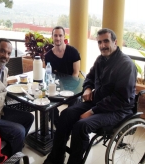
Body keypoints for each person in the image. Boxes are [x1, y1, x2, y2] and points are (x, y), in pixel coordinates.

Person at [43, 28, 137, 164]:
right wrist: (87, 88)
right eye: (99, 42)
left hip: (118, 109)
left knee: (81, 126)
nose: (102, 45)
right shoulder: (101, 59)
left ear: (115, 42)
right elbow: (90, 77)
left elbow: (120, 99)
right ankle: (56, 158)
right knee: (65, 115)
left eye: (106, 41)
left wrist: (92, 111)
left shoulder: (126, 65)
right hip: (98, 101)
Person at [45, 26, 81, 128]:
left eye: (60, 35)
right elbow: (48, 75)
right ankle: (59, 125)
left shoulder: (73, 51)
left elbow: (75, 73)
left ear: (64, 36)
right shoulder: (48, 56)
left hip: (72, 87)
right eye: (55, 35)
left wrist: (67, 89)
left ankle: (67, 122)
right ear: (52, 37)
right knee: (47, 100)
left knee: (75, 101)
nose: (58, 38)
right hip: (56, 86)